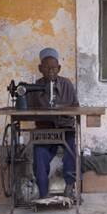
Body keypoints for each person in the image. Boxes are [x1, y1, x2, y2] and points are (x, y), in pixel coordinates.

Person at [28, 47, 79, 199]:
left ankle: (70, 187)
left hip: (65, 129)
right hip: (45, 130)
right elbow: (29, 111)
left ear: (59, 68)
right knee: (39, 154)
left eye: (54, 68)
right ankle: (43, 193)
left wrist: (62, 111)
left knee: (72, 151)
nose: (50, 71)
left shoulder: (67, 85)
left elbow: (76, 106)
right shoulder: (35, 87)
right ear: (40, 68)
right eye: (46, 68)